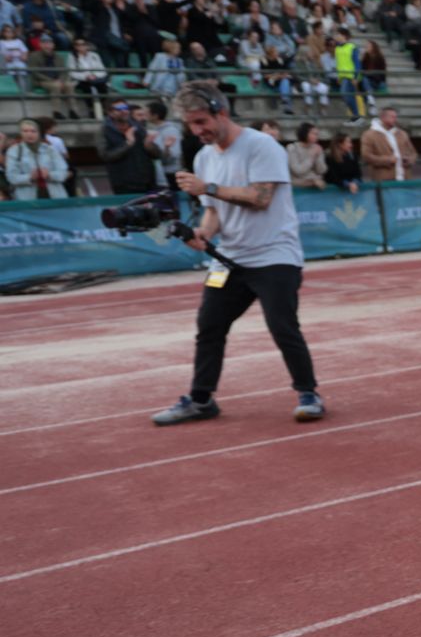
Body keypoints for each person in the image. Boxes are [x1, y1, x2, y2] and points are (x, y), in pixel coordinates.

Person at [151, 82, 324, 426]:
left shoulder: (262, 146)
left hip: (275, 256)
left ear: (222, 113)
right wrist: (203, 233)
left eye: (202, 122)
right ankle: (201, 400)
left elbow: (260, 198)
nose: (196, 131)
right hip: (227, 260)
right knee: (209, 326)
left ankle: (308, 394)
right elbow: (213, 211)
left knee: (282, 326)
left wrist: (208, 188)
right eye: (191, 124)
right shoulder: (203, 157)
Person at [101, 101, 162, 195]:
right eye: (119, 109)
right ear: (110, 113)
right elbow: (106, 156)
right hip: (124, 185)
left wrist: (149, 146)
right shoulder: (105, 131)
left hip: (147, 182)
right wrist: (128, 144)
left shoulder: (138, 127)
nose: (124, 111)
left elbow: (157, 154)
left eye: (125, 108)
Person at [5, 119, 69, 199]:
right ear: (21, 133)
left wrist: (49, 175)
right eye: (25, 131)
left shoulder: (50, 150)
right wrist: (30, 177)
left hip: (55, 196)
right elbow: (11, 177)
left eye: (33, 131)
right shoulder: (14, 151)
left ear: (39, 133)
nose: (29, 134)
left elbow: (63, 173)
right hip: (27, 199)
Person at [360, 106, 417, 181]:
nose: (395, 119)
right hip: (383, 180)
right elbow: (366, 156)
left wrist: (409, 160)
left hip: (404, 178)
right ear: (383, 118)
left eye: (395, 117)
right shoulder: (369, 135)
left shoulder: (402, 134)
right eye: (392, 117)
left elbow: (413, 152)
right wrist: (387, 160)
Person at [288, 122, 328, 189]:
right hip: (298, 187)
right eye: (314, 134)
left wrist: (318, 157)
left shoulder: (316, 148)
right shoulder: (292, 148)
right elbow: (298, 171)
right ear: (305, 133)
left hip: (316, 186)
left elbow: (321, 171)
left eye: (317, 134)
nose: (316, 136)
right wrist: (311, 156)